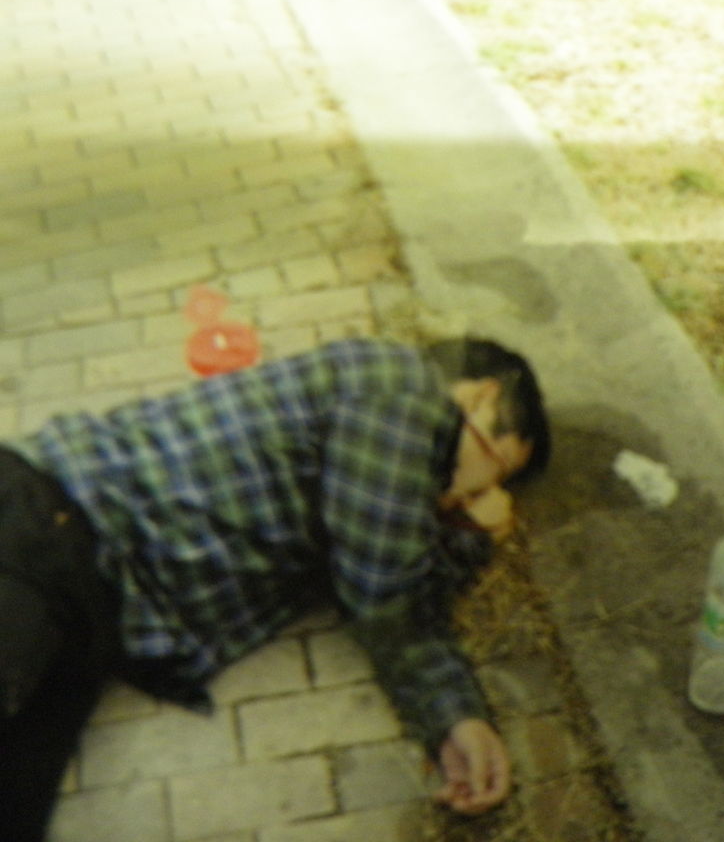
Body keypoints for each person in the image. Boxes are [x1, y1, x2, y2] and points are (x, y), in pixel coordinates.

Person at [0, 335, 551, 841]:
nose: (475, 496)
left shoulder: (370, 472)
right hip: (47, 522)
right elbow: (386, 592)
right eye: (496, 468)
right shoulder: (403, 392)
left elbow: (382, 574)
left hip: (93, 598)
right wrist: (473, 538)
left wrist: (455, 719)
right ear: (480, 395)